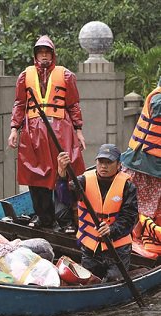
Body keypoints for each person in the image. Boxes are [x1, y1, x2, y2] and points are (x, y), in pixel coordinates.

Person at [8, 35, 86, 233]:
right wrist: (14, 129)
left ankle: (66, 220)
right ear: (35, 55)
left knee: (65, 173)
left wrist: (78, 130)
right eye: (40, 52)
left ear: (53, 54)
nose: (43, 55)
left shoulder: (66, 75)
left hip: (61, 129)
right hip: (33, 132)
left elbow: (73, 105)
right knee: (35, 175)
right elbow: (19, 104)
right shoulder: (25, 76)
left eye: (47, 52)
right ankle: (44, 217)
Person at [57, 144, 138, 282]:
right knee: (89, 280)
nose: (103, 166)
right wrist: (62, 176)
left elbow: (129, 218)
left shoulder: (128, 187)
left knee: (114, 280)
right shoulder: (83, 181)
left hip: (117, 247)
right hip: (91, 247)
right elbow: (64, 199)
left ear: (119, 164)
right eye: (101, 162)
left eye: (109, 162)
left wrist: (111, 230)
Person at [122, 77, 161, 227]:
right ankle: (138, 234)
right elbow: (157, 109)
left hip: (154, 163)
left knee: (154, 207)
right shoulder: (157, 96)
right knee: (138, 204)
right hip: (144, 161)